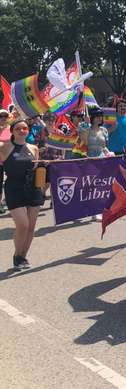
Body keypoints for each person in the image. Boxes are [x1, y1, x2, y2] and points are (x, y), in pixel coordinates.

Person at [1, 119, 44, 270]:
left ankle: (22, 257)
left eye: (25, 128)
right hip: (14, 188)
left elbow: (37, 168)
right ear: (12, 131)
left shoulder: (34, 148)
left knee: (31, 227)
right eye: (18, 128)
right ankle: (17, 255)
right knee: (23, 225)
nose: (22, 131)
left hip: (33, 188)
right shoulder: (4, 148)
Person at [0, 109, 11, 213]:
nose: (3, 118)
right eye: (1, 117)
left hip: (9, 160)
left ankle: (7, 200)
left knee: (10, 182)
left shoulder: (12, 129)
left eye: (5, 116)